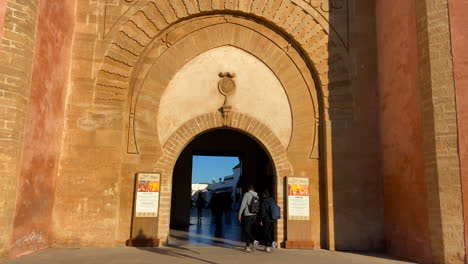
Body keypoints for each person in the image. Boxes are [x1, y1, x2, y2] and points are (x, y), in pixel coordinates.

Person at [238, 185, 259, 252]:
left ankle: (253, 241)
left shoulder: (246, 194)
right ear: (253, 189)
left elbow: (243, 205)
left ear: (248, 189)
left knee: (247, 230)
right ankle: (247, 246)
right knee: (250, 230)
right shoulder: (256, 195)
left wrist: (239, 214)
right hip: (254, 215)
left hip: (248, 215)